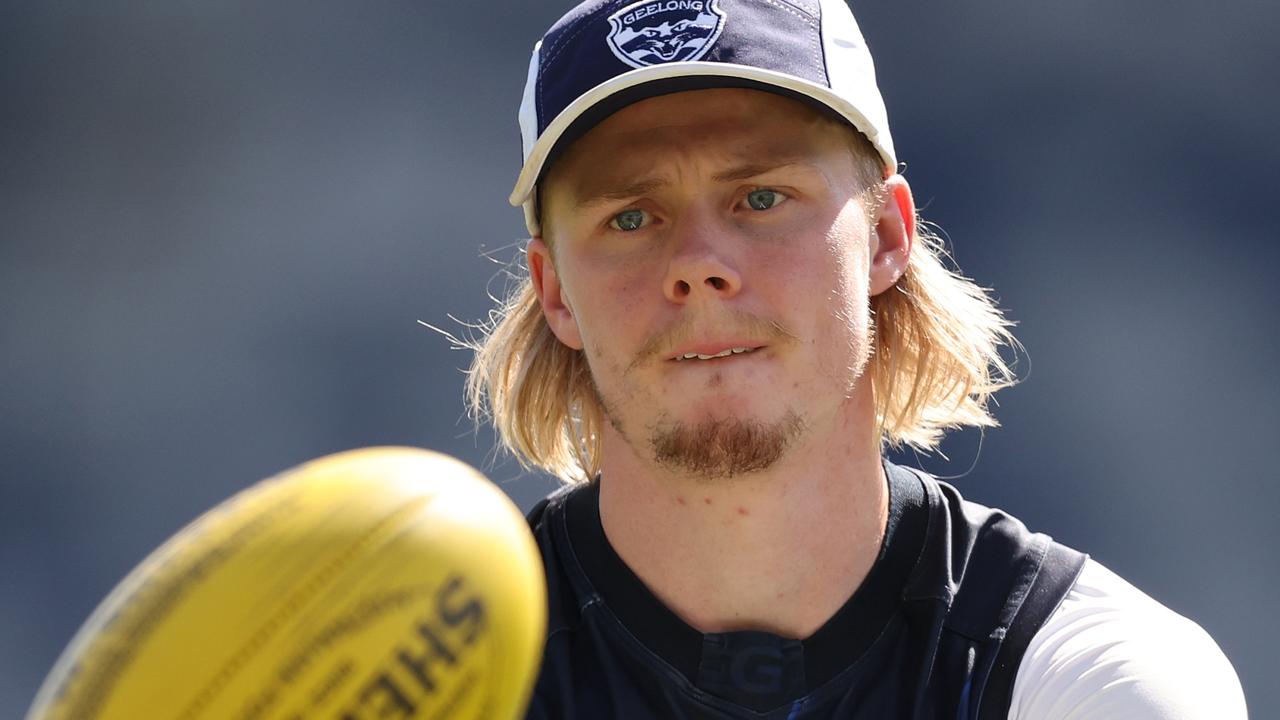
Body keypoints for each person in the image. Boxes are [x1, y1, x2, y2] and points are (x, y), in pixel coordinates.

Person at [464, 0, 1247, 717]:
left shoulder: (1095, 680)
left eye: (761, 198)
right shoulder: (433, 678)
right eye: (631, 216)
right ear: (554, 289)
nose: (698, 263)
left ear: (885, 237)